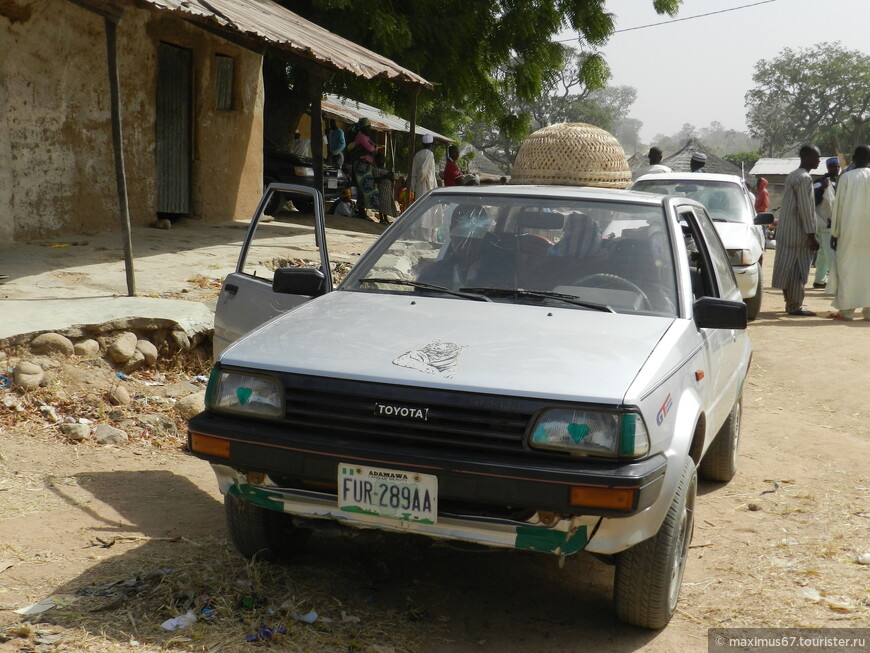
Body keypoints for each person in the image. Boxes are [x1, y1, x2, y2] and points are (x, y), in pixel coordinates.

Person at [771, 144, 821, 316]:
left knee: (788, 267)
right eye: (816, 157)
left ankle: (791, 302)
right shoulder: (805, 178)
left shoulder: (793, 175)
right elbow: (805, 210)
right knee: (798, 269)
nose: (819, 160)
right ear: (808, 158)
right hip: (798, 232)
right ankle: (795, 305)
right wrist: (812, 236)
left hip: (786, 230)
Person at [828, 145, 870, 320]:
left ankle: (846, 311)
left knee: (847, 269)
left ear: (853, 158)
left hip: (849, 232)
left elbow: (838, 208)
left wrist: (834, 233)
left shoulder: (846, 178)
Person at [811, 157, 840, 289]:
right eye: (833, 166)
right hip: (825, 223)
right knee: (830, 254)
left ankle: (819, 280)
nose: (835, 169)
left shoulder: (838, 182)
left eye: (837, 166)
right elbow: (813, 201)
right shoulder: (820, 182)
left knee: (823, 254)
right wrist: (822, 189)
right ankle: (835, 283)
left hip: (831, 224)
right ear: (828, 167)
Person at [352, 119, 381, 218]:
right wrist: (375, 147)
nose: (369, 129)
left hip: (367, 166)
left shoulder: (366, 137)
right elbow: (370, 148)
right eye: (368, 127)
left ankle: (362, 210)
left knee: (365, 188)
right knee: (365, 188)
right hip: (362, 166)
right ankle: (361, 211)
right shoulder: (361, 136)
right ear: (363, 128)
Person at [409, 134, 437, 201]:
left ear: (422, 143)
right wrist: (419, 181)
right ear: (431, 143)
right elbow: (423, 171)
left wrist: (414, 186)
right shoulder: (430, 154)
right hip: (427, 184)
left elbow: (413, 172)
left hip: (419, 185)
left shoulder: (417, 154)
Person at [374, 152, 396, 225]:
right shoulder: (377, 169)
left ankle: (386, 218)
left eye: (383, 159)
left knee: (386, 204)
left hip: (388, 189)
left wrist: (391, 176)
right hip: (381, 188)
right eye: (381, 160)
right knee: (381, 204)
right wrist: (386, 176)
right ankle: (381, 218)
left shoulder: (386, 169)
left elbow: (392, 180)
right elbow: (376, 179)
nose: (382, 161)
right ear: (377, 161)